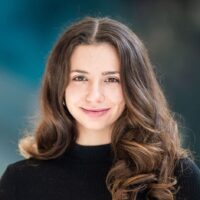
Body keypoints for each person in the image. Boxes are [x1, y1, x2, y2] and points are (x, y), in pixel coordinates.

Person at [0, 16, 200, 200]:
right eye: (80, 78)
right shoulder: (18, 182)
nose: (94, 95)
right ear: (59, 87)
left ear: (134, 88)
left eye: (111, 79)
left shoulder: (176, 176)